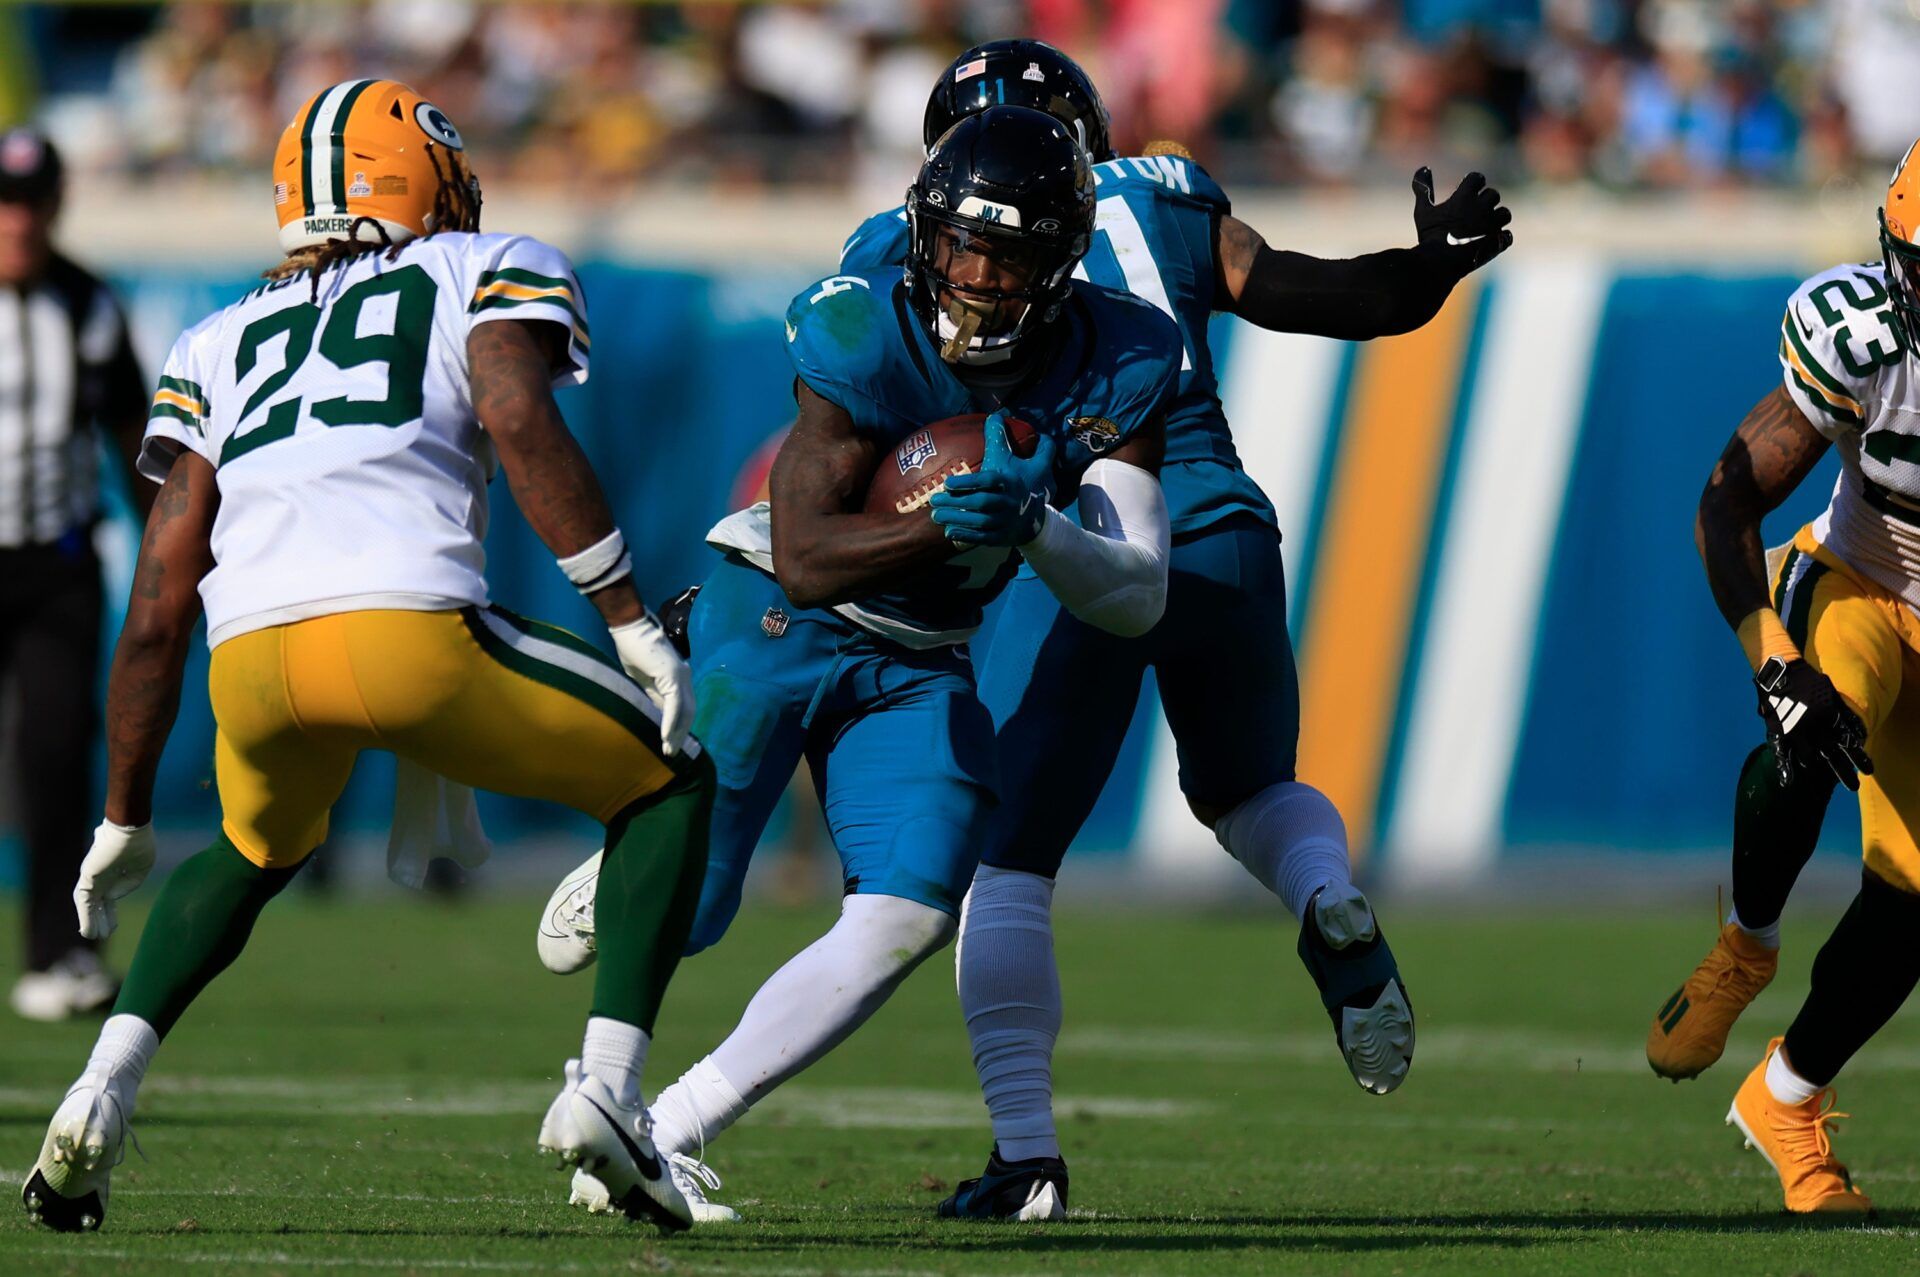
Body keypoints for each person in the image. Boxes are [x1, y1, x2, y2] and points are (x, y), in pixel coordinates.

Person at [20, 80, 712, 1235]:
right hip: (410, 636)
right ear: (423, 176)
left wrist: (124, 809)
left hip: (252, 666)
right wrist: (629, 614)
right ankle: (610, 1092)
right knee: (673, 776)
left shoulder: (214, 335)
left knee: (248, 845)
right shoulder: (480, 264)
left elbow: (156, 599)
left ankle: (100, 1088)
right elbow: (517, 409)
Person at [836, 40, 1511, 1217]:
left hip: (1076, 527)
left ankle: (1028, 1156)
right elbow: (1320, 296)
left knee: (1008, 862)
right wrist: (1424, 268)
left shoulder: (905, 250)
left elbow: (864, 418)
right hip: (1222, 518)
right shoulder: (1162, 195)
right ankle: (1322, 898)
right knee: (1252, 791)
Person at [553, 104, 1184, 1224]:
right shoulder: (866, 312)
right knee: (694, 911)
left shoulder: (1121, 352)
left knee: (908, 908)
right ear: (923, 234)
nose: (975, 275)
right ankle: (637, 873)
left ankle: (663, 1124)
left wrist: (1041, 531)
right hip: (779, 616)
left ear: (1060, 261)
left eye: (1007, 252)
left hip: (924, 651)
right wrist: (954, 524)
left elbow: (1135, 595)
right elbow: (804, 558)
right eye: (958, 244)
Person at [1642, 139, 1920, 1215]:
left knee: (1913, 894)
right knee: (1813, 728)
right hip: (1858, 576)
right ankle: (1746, 942)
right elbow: (1727, 500)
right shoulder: (1863, 339)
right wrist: (1771, 654)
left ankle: (1787, 1094)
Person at [0, 127, 153, 1022]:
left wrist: (178, 561)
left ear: (56, 207)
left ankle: (59, 954)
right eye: (5, 202)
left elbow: (135, 440)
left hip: (55, 564)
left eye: (31, 202)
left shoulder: (87, 303)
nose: (16, 220)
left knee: (57, 756)